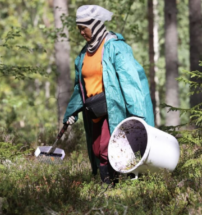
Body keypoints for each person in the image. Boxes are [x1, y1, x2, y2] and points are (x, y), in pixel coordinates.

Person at [63, 5, 155, 185]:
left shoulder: (115, 48)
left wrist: (137, 114)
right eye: (79, 28)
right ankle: (113, 185)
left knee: (107, 148)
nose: (81, 32)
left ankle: (112, 187)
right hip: (94, 111)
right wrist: (71, 113)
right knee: (97, 149)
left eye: (84, 27)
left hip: (115, 109)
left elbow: (130, 80)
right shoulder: (84, 54)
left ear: (96, 25)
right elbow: (79, 87)